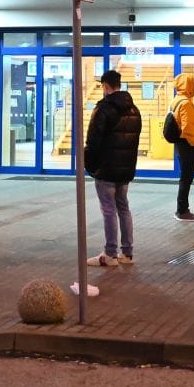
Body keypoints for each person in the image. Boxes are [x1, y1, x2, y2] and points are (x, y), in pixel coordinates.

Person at [84, 69, 141, 266]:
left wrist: (90, 166)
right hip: (125, 170)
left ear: (105, 86)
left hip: (106, 169)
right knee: (123, 207)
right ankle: (127, 253)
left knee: (109, 210)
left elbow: (93, 141)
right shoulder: (134, 109)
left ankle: (110, 254)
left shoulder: (104, 109)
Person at [168, 71, 194, 221]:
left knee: (185, 177)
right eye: (193, 83)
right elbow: (188, 127)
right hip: (187, 145)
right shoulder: (185, 103)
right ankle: (182, 211)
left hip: (182, 145)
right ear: (186, 84)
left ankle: (182, 209)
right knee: (186, 178)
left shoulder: (177, 100)